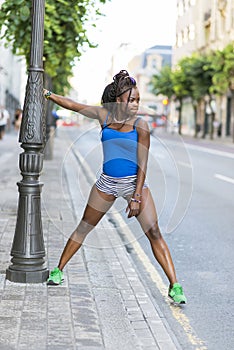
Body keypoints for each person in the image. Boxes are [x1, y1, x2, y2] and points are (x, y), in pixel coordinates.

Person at [44, 70, 187, 304]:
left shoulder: (141, 125)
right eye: (131, 99)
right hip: (106, 183)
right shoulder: (105, 115)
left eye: (138, 100)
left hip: (134, 184)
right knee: (84, 227)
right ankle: (58, 270)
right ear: (118, 99)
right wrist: (47, 94)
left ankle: (175, 285)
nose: (135, 104)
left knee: (154, 232)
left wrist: (137, 196)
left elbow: (143, 164)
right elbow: (73, 105)